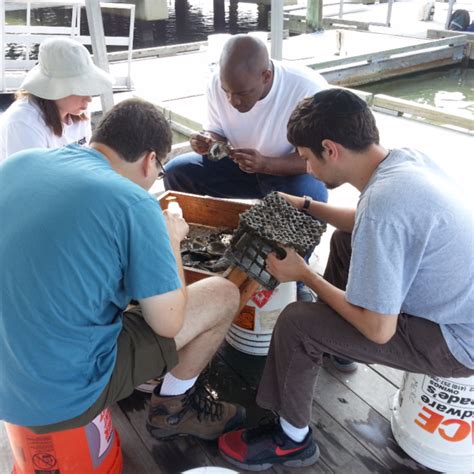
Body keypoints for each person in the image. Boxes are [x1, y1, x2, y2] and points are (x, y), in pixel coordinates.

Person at [218, 89, 474, 470]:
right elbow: (366, 225)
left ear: (330, 148)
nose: (307, 169)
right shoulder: (403, 162)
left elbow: (378, 329)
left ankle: (291, 439)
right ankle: (336, 345)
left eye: (306, 159)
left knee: (297, 323)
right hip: (456, 303)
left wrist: (303, 273)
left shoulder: (384, 206)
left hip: (456, 340)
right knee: (343, 239)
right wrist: (306, 205)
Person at [0, 98, 245, 441]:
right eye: (160, 171)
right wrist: (170, 238)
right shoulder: (134, 202)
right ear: (150, 161)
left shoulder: (18, 164)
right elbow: (169, 322)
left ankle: (144, 376)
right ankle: (173, 408)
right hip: (61, 398)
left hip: (7, 381)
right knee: (223, 293)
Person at [164, 34, 328, 204]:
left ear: (266, 76)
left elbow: (318, 158)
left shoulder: (309, 89)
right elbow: (216, 132)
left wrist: (266, 164)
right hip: (241, 166)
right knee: (176, 172)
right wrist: (208, 142)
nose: (232, 101)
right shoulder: (216, 82)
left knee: (310, 209)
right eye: (226, 91)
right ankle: (186, 225)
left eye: (242, 93)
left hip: (290, 173)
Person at [0, 37, 113, 162]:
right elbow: (31, 179)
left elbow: (83, 160)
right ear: (55, 89)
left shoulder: (79, 110)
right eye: (80, 89)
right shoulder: (23, 123)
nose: (89, 99)